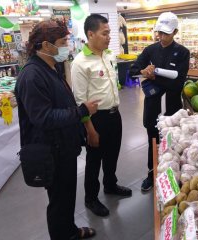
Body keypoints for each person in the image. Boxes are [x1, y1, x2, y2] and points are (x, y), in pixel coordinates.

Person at [15, 20, 98, 240]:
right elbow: (42, 117)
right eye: (63, 42)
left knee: (67, 196)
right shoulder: (32, 75)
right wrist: (81, 111)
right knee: (59, 200)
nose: (67, 47)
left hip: (64, 146)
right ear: (46, 45)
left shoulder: (51, 66)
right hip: (52, 151)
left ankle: (70, 230)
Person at [71, 14, 132, 217]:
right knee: (94, 160)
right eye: (105, 33)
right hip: (96, 120)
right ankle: (91, 199)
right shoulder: (80, 63)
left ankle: (110, 185)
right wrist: (90, 129)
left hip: (115, 114)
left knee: (112, 154)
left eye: (109, 33)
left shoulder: (108, 55)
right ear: (90, 34)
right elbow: (80, 101)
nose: (109, 37)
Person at [129, 12, 190, 191]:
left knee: (172, 141)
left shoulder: (183, 53)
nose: (161, 37)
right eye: (159, 33)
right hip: (153, 105)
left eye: (166, 33)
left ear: (175, 32)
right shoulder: (150, 50)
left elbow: (178, 82)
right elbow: (133, 70)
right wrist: (143, 71)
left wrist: (154, 75)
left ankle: (172, 175)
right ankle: (151, 172)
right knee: (153, 139)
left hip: (172, 107)